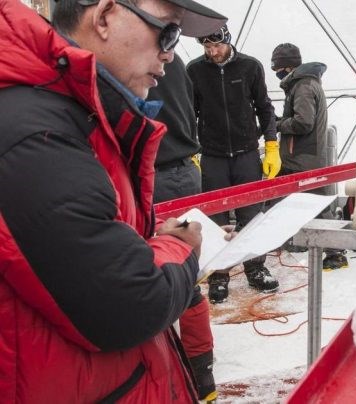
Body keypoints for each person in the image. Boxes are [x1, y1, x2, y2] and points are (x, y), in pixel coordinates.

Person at [0, 0, 227, 402]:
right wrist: (180, 245)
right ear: (105, 16)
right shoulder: (35, 133)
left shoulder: (74, 114)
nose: (170, 53)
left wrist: (140, 242)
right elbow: (132, 302)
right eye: (168, 31)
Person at [187, 24, 281, 303]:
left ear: (227, 41)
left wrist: (272, 145)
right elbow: (189, 113)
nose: (212, 52)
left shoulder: (250, 67)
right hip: (213, 155)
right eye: (207, 48)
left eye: (216, 46)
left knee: (250, 215)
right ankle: (219, 274)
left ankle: (255, 268)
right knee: (216, 218)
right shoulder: (195, 71)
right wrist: (192, 149)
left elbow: (264, 107)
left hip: (246, 154)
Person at [148, 54, 217, 402]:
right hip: (186, 170)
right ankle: (202, 375)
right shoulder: (175, 62)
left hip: (158, 173)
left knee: (165, 276)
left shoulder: (135, 56)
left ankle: (188, 379)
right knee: (187, 277)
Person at [270, 43, 348, 270]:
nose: (276, 73)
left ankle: (336, 253)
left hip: (303, 159)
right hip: (305, 157)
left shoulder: (303, 86)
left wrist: (277, 124)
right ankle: (320, 249)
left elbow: (303, 122)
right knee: (299, 202)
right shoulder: (306, 83)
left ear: (285, 66)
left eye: (277, 67)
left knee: (318, 206)